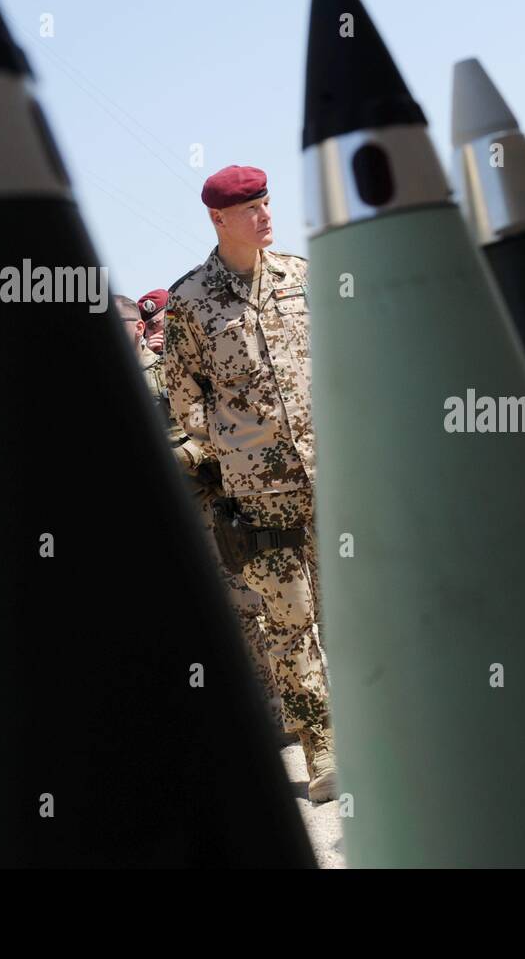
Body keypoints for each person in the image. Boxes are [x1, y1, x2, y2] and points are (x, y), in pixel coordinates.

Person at [164, 165, 336, 801]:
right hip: (256, 493)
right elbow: (184, 402)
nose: (266, 216)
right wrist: (234, 453)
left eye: (267, 204)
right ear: (218, 218)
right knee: (290, 626)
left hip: (330, 474)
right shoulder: (190, 301)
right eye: (252, 209)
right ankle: (324, 752)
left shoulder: (303, 277)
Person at [124, 289, 286, 743]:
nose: (158, 334)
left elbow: (222, 425)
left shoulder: (178, 368)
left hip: (215, 500)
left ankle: (279, 705)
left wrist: (187, 455)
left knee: (250, 602)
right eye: (152, 326)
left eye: (160, 326)